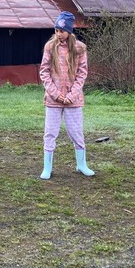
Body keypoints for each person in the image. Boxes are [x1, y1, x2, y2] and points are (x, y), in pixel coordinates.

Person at [39, 11, 94, 179]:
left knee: (76, 132)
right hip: (53, 100)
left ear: (69, 31)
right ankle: (47, 167)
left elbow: (82, 74)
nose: (58, 34)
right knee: (50, 133)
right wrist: (55, 94)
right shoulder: (50, 47)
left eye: (62, 31)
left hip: (73, 101)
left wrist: (71, 95)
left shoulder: (79, 48)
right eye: (56, 30)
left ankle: (81, 164)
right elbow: (44, 72)